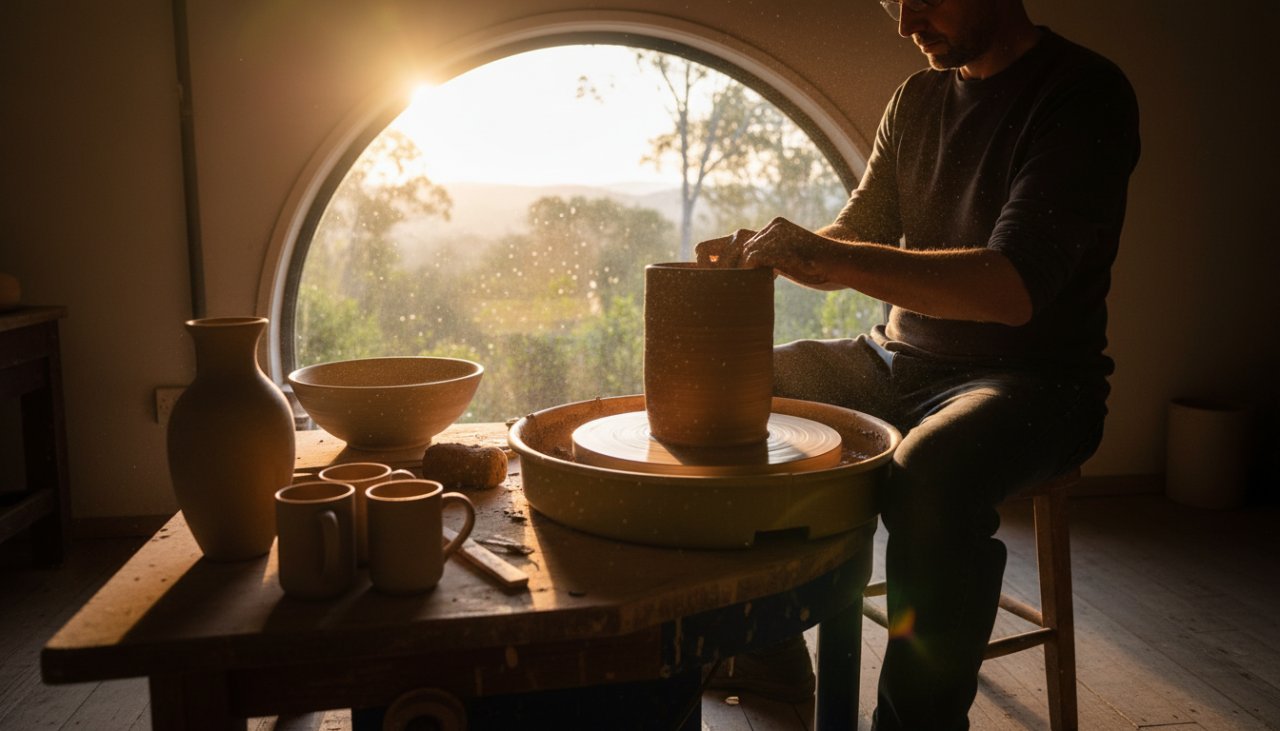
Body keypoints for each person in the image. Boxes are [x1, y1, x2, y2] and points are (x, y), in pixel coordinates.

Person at [698, 0, 1139, 728]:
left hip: (1037, 382)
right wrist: (778, 253)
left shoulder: (1083, 93)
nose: (906, 22)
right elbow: (861, 230)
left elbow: (1012, 287)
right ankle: (769, 656)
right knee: (738, 384)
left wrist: (832, 255)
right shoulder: (918, 97)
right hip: (899, 360)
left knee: (931, 473)